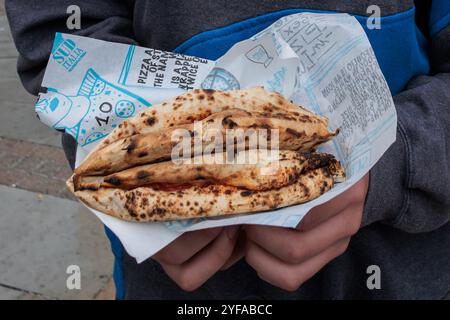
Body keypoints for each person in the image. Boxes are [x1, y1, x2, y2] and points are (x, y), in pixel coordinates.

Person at [6, 0, 450, 299]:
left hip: (409, 269)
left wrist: (395, 161)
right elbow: (66, 30)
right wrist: (141, 168)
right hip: (175, 279)